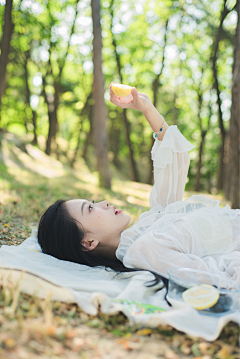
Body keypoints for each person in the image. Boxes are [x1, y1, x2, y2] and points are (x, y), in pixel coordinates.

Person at [38, 85, 240, 287]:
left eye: (93, 202)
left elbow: (173, 164)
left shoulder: (148, 228)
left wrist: (146, 108)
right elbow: (218, 278)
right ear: (88, 242)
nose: (104, 202)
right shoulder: (144, 250)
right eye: (90, 209)